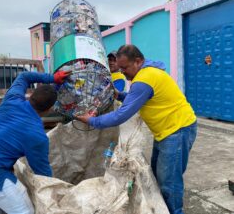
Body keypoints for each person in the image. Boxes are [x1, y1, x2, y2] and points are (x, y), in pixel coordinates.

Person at [77, 45, 197, 214]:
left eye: (125, 68)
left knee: (169, 182)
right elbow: (142, 98)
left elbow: (121, 115)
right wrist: (120, 95)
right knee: (157, 175)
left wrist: (93, 120)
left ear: (138, 61)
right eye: (120, 68)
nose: (123, 72)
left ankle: (175, 212)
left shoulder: (144, 79)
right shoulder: (148, 74)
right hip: (167, 130)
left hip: (177, 130)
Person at [0, 70, 70, 214]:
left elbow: (24, 76)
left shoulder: (12, 99)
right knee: (25, 212)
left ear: (31, 96)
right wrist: (55, 195)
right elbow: (42, 173)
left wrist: (52, 78)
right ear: (49, 109)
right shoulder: (37, 135)